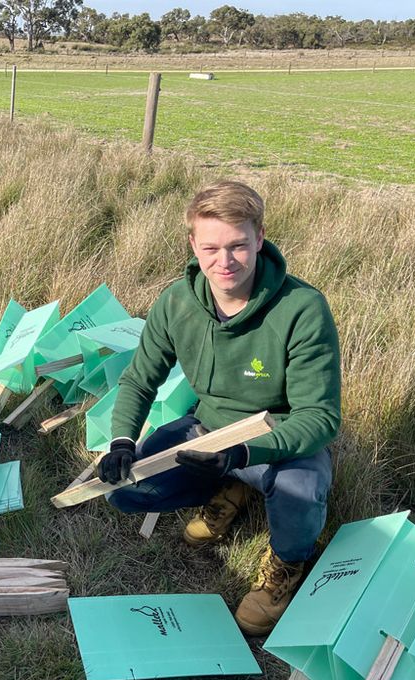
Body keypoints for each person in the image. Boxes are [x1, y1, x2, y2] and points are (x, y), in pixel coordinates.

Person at [96, 180, 340, 635]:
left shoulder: (302, 308)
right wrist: (122, 441)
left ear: (259, 238)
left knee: (301, 491)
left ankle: (286, 565)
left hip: (278, 440)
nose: (224, 262)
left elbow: (320, 417)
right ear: (193, 244)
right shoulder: (177, 302)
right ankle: (230, 487)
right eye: (210, 248)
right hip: (207, 430)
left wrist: (243, 453)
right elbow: (139, 378)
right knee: (124, 491)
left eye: (238, 246)